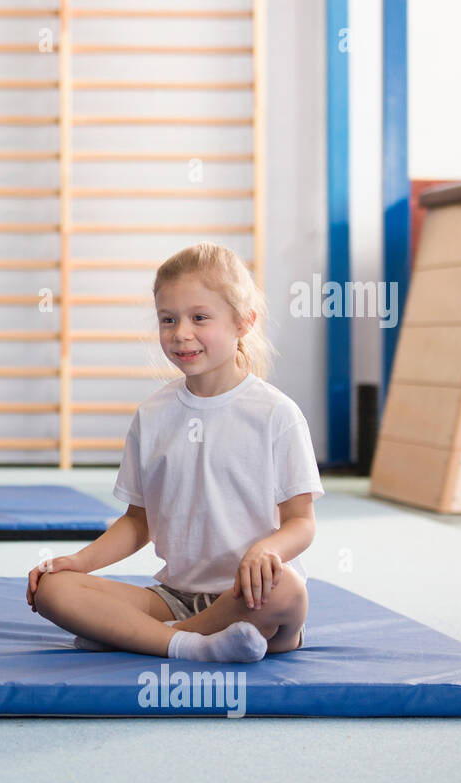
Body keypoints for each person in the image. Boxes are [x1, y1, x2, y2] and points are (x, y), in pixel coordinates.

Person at [26, 242, 323, 662]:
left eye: (200, 317)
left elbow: (301, 523)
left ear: (244, 322)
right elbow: (136, 523)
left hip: (252, 595)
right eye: (168, 320)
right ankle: (194, 643)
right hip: (173, 596)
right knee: (53, 589)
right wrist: (78, 561)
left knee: (287, 589)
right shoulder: (153, 415)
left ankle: (150, 638)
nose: (181, 333)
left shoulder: (277, 414)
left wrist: (266, 551)